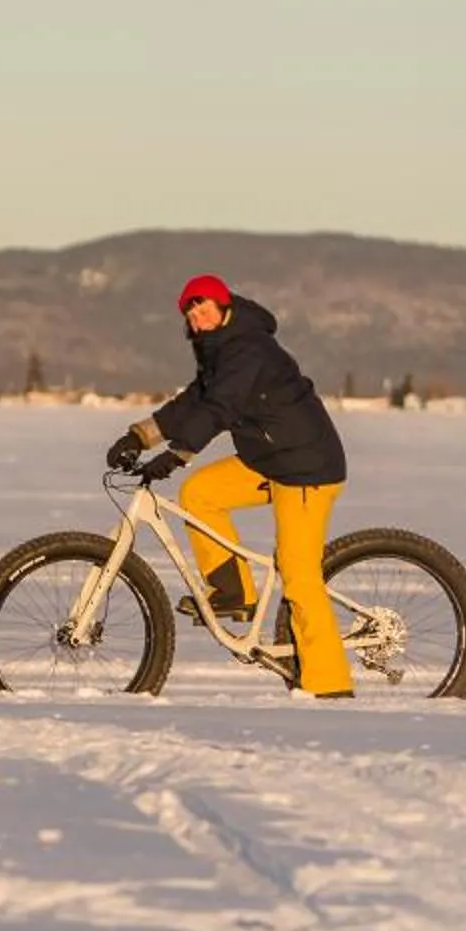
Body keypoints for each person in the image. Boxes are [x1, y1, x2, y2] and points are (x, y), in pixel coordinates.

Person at [105, 273, 354, 698]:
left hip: (307, 469)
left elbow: (222, 407)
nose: (198, 319)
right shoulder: (218, 349)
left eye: (204, 310)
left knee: (299, 576)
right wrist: (140, 436)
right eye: (191, 314)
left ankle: (331, 685)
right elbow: (194, 401)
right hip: (269, 462)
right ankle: (233, 590)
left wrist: (177, 455)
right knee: (200, 494)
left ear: (224, 307)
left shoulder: (248, 347)